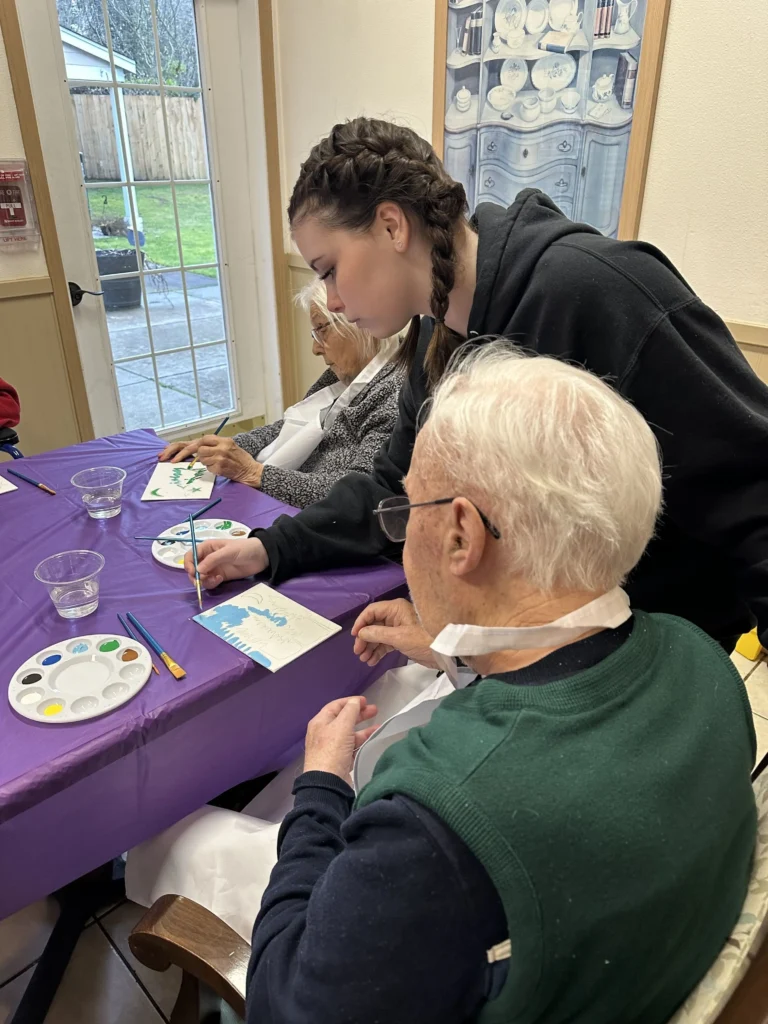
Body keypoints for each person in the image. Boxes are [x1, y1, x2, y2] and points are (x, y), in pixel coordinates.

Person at [133, 347, 756, 1024]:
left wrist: (321, 787)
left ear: (461, 533)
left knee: (171, 839)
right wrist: (458, 652)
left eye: (405, 510)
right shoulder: (703, 660)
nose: (402, 536)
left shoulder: (433, 825)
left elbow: (289, 1007)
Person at [185, 117, 768, 650]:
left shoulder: (598, 291)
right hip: (531, 644)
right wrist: (271, 548)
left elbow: (751, 489)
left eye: (330, 270)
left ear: (391, 225)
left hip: (649, 653)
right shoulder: (433, 339)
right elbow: (395, 488)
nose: (332, 300)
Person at [159, 279, 403, 508]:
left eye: (321, 330)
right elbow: (290, 426)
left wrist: (253, 472)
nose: (316, 348)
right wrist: (220, 448)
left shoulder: (394, 395)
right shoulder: (347, 372)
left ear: (359, 323)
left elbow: (360, 493)